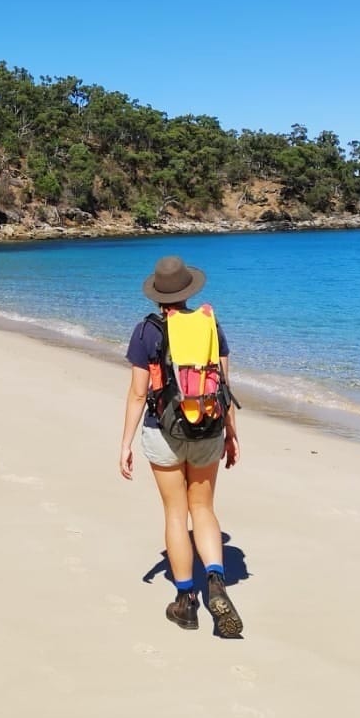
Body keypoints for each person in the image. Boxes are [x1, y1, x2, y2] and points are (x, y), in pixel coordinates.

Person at [119, 254, 243, 637]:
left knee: (176, 514)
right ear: (189, 290)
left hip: (164, 431)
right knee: (203, 508)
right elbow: (223, 385)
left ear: (157, 294)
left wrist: (125, 443)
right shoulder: (210, 324)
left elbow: (139, 394)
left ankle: (186, 601)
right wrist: (232, 433)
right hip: (208, 428)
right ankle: (217, 582)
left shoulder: (147, 331)